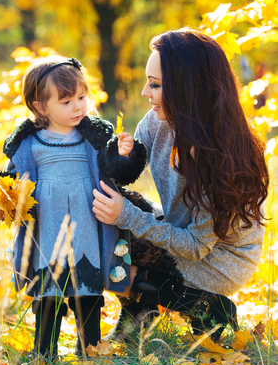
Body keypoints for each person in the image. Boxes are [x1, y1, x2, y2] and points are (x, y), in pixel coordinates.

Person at [92, 29, 269, 341]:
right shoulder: (156, 121)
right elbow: (124, 173)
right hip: (181, 230)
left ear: (188, 89)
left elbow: (197, 247)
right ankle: (139, 315)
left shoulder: (217, 155)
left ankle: (206, 305)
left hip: (218, 260)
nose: (145, 92)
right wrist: (117, 157)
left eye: (156, 85)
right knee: (96, 227)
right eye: (148, 81)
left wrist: (127, 217)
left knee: (105, 264)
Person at [0, 55, 147, 358]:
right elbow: (6, 184)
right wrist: (1, 205)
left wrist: (126, 155)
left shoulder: (95, 138)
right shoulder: (28, 143)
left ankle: (90, 350)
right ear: (40, 106)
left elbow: (118, 172)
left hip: (88, 227)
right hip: (48, 230)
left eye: (82, 97)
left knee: (87, 290)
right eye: (66, 101)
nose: (78, 106)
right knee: (49, 293)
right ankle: (44, 352)